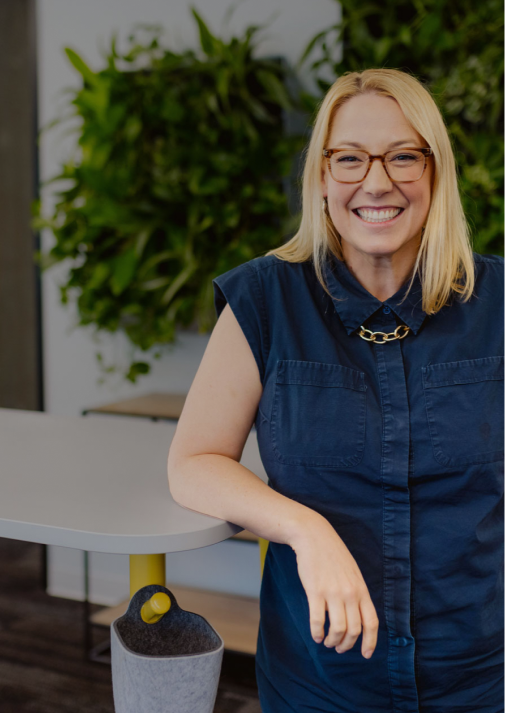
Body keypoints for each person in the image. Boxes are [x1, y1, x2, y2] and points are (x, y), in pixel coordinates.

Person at [167, 68, 505, 712]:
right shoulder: (265, 298)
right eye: (349, 158)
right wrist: (306, 530)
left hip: (481, 676)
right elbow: (193, 464)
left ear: (435, 174)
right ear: (322, 178)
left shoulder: (499, 301)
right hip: (321, 681)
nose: (376, 181)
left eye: (403, 156)